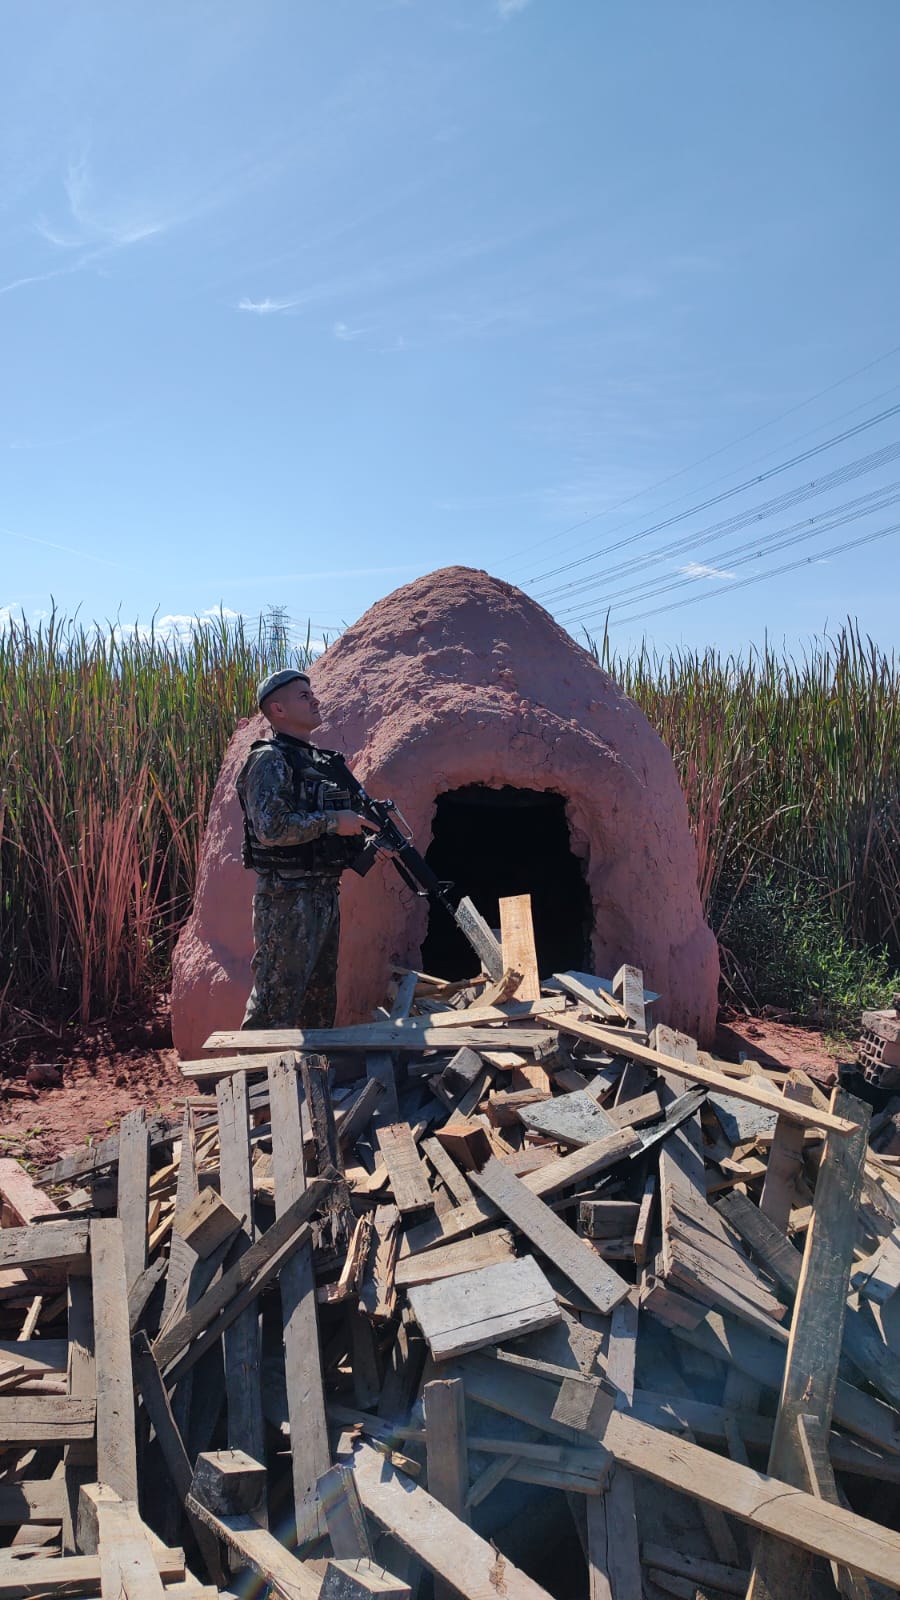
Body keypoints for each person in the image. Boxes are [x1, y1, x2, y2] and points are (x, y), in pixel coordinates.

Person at [236, 668, 373, 1031]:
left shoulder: (318, 761)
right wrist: (333, 821)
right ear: (277, 710)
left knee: (318, 1000)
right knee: (274, 1000)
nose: (315, 700)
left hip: (323, 892)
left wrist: (359, 836)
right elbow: (271, 828)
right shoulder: (269, 760)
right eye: (303, 696)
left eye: (312, 694)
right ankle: (252, 1084)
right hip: (286, 896)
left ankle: (314, 1084)